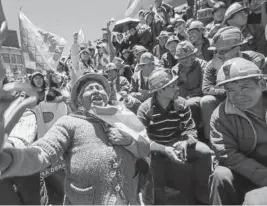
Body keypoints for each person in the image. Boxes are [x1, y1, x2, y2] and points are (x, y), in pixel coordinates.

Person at [0, 73, 150, 205]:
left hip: (129, 199)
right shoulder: (69, 122)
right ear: (79, 101)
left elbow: (144, 151)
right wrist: (12, 159)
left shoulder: (123, 118)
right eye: (89, 89)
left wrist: (129, 142)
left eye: (99, 88)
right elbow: (44, 151)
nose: (96, 91)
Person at [137, 68, 212, 204]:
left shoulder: (181, 103)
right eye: (172, 86)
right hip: (155, 150)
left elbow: (191, 129)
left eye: (176, 84)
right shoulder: (145, 109)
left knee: (205, 152)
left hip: (177, 144)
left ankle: (202, 191)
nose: (177, 88)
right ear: (160, 91)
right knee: (155, 189)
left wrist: (185, 142)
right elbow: (141, 139)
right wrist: (163, 149)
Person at [209, 57, 267, 205]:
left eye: (245, 87)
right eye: (230, 90)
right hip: (245, 171)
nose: (238, 95)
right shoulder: (220, 116)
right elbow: (229, 156)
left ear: (262, 84)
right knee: (221, 175)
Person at [200, 26, 266, 141]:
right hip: (225, 99)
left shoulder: (255, 59)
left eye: (222, 51)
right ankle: (212, 140)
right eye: (215, 51)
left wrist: (224, 71)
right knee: (206, 101)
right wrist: (229, 91)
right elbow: (206, 88)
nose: (217, 55)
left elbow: (258, 85)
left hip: (253, 99)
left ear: (236, 49)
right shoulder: (212, 64)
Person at [172, 40, 207, 128]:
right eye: (184, 58)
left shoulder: (203, 65)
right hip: (180, 100)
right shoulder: (174, 70)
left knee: (189, 104)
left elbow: (205, 86)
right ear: (178, 59)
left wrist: (190, 96)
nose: (188, 59)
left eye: (191, 56)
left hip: (199, 97)